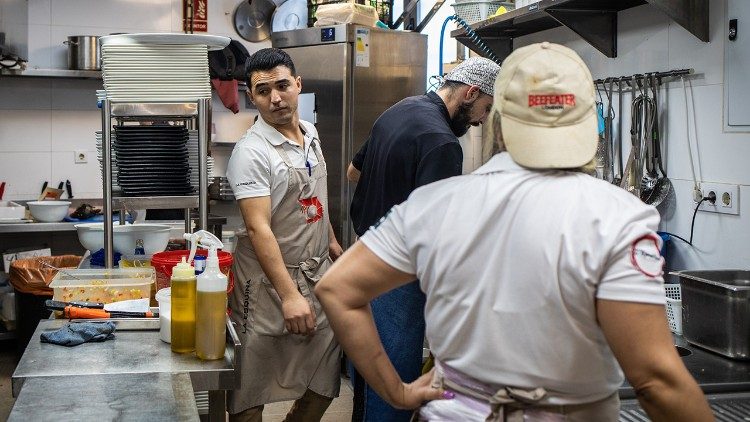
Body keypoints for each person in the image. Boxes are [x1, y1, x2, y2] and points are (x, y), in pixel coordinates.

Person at [317, 42, 713, 421]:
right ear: (586, 125)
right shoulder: (618, 216)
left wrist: (398, 393)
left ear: (500, 125)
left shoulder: (433, 204)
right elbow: (656, 381)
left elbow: (337, 288)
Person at [345, 56, 501, 422]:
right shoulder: (443, 143)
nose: (482, 120)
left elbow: (354, 172)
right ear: (471, 92)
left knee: (369, 378)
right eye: (486, 108)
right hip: (398, 277)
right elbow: (435, 236)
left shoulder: (400, 110)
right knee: (395, 389)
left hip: (362, 259)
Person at [226, 48, 343, 422]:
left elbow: (314, 196)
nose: (275, 98)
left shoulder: (310, 133)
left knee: (325, 375)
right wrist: (290, 296)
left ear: (297, 85)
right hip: (266, 283)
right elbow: (259, 227)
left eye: (281, 86)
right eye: (263, 91)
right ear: (252, 96)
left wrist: (331, 240)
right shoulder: (251, 153)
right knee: (250, 383)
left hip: (316, 271)